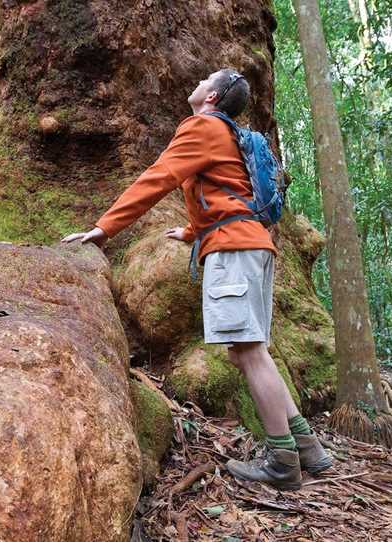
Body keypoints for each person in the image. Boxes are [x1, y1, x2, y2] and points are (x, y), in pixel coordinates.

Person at [62, 68, 332, 490]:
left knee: (247, 354)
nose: (197, 82)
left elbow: (159, 176)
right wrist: (191, 230)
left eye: (206, 79)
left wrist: (104, 227)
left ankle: (282, 461)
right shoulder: (230, 134)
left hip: (233, 250)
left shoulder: (202, 127)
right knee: (254, 351)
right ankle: (308, 447)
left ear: (213, 96)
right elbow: (229, 190)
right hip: (253, 245)